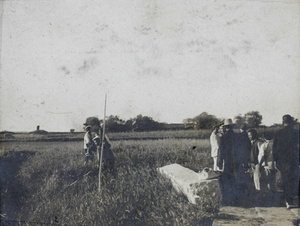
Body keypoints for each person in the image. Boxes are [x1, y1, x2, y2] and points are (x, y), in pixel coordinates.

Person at [273, 114, 299, 209]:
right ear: (291, 122)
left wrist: (275, 160)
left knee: (285, 180)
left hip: (282, 161)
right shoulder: (296, 132)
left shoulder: (278, 133)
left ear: (283, 122)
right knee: (293, 179)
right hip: (294, 160)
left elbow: (274, 148)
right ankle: (291, 199)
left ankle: (287, 201)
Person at [219, 118, 238, 204]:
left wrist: (220, 162)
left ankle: (228, 198)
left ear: (225, 127)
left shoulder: (223, 137)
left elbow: (221, 151)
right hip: (236, 160)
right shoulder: (237, 136)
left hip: (227, 161)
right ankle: (235, 198)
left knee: (227, 179)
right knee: (235, 178)